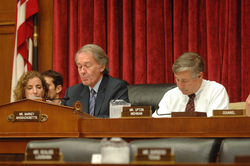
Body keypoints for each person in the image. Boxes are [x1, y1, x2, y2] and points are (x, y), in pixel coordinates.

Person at [61, 44, 130, 118]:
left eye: (87, 66)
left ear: (102, 66)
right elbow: (61, 119)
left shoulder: (116, 88)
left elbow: (117, 119)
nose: (82, 71)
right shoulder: (72, 92)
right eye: (79, 67)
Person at [152, 52, 229, 117]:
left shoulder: (216, 92)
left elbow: (214, 125)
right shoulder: (170, 95)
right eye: (177, 79)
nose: (179, 86)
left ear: (199, 76)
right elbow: (156, 124)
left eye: (185, 81)